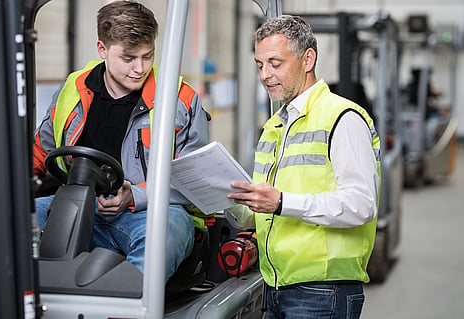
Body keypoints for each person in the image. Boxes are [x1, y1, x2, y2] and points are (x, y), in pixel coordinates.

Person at [33, 0, 210, 281]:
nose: (139, 68)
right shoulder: (72, 90)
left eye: (147, 56)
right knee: (11, 221)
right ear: (102, 49)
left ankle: (127, 305)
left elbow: (197, 180)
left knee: (166, 231)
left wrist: (134, 195)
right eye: (128, 58)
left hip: (150, 213)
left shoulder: (181, 100)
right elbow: (41, 151)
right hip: (78, 204)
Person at [225, 15, 381, 318]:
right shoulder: (275, 126)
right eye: (260, 65)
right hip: (275, 286)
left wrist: (282, 202)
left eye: (275, 62)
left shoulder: (342, 118)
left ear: (308, 59)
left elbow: (363, 204)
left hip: (324, 291)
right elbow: (263, 209)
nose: (265, 75)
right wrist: (225, 199)